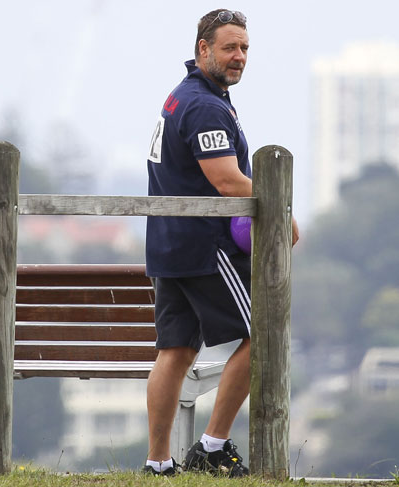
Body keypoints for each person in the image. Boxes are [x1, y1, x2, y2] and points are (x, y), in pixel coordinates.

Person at [143, 9, 299, 477]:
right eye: (230, 47)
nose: (239, 57)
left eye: (245, 48)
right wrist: (282, 207)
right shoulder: (206, 105)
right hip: (204, 248)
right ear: (202, 49)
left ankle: (158, 463)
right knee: (265, 335)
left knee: (175, 351)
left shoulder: (180, 97)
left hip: (168, 245)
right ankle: (211, 447)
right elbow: (227, 180)